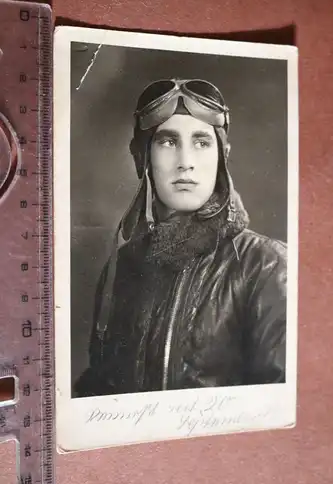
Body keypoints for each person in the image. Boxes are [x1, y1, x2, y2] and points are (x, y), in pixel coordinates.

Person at [75, 78, 287, 397]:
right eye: (168, 142)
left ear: (222, 157)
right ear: (141, 157)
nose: (185, 162)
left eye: (201, 142)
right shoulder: (121, 269)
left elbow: (282, 413)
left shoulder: (267, 266)